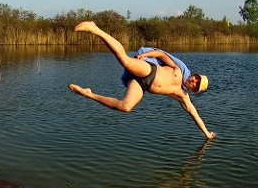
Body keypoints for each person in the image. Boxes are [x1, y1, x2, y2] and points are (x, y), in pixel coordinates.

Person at [68, 21, 215, 139]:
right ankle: (95, 29)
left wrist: (207, 133)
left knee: (125, 106)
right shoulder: (178, 70)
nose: (194, 82)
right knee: (124, 60)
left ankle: (88, 94)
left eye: (196, 86)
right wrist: (145, 55)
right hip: (149, 70)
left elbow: (194, 114)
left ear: (194, 91)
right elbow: (161, 55)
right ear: (194, 75)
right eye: (196, 79)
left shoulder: (183, 95)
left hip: (142, 84)